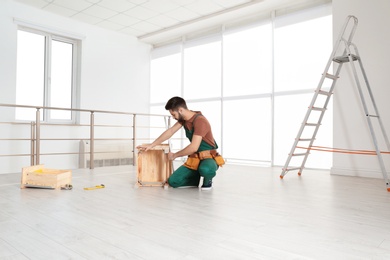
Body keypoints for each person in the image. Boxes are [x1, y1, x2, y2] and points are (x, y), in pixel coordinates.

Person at [137, 96, 223, 190]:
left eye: (174, 114)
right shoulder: (184, 120)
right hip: (195, 158)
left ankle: (208, 180)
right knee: (173, 182)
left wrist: (175, 155)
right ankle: (195, 176)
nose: (173, 117)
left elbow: (193, 147)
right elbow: (170, 131)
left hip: (208, 157)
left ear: (180, 110)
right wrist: (152, 144)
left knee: (206, 169)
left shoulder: (200, 121)